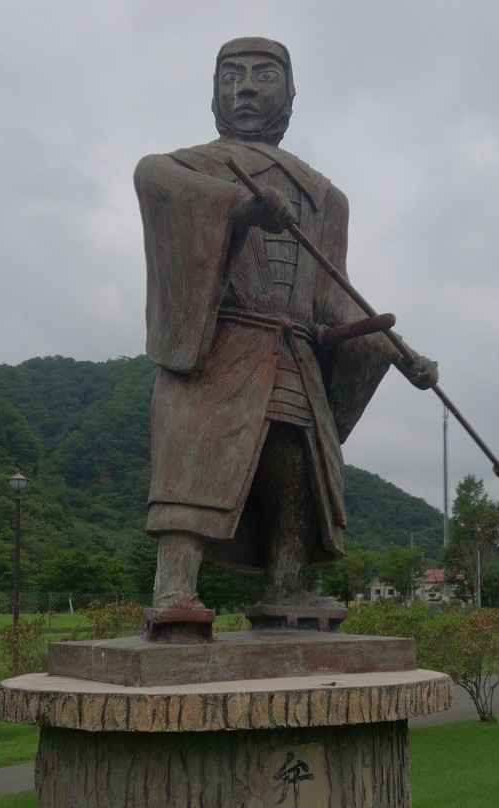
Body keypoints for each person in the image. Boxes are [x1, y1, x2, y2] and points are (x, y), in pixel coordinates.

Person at [135, 37, 438, 639]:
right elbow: (157, 187)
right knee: (192, 462)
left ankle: (286, 583)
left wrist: (393, 349)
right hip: (218, 345)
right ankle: (176, 589)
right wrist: (239, 209)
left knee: (294, 466)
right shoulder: (184, 167)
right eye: (232, 75)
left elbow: (334, 294)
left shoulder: (326, 197)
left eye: (264, 74)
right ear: (214, 90)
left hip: (295, 351)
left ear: (290, 94)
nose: (245, 87)